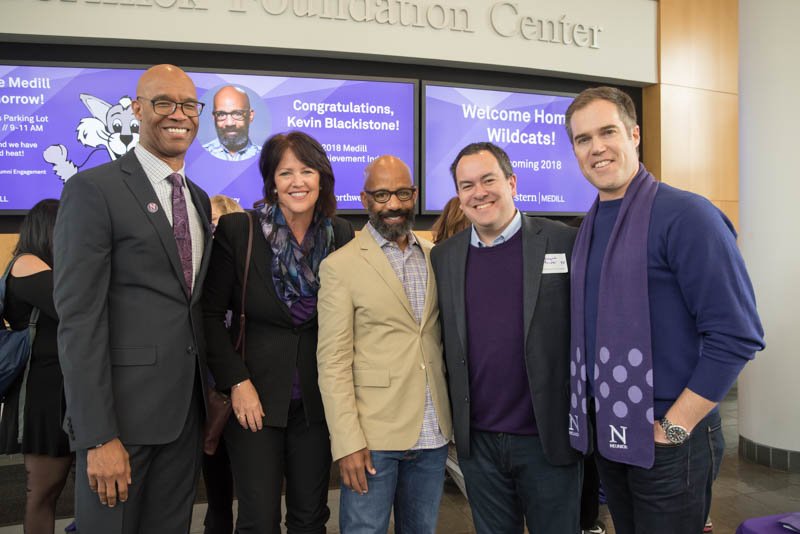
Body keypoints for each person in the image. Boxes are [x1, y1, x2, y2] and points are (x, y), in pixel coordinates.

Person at [564, 86, 765, 534]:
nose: (596, 147)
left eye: (607, 131)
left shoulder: (688, 216)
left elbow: (737, 335)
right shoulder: (588, 228)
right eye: (582, 139)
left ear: (634, 135)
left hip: (671, 439)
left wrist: (674, 429)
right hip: (613, 434)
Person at [53, 64, 213, 533]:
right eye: (164, 102)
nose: (178, 114)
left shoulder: (198, 198)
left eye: (188, 104)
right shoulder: (93, 190)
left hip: (183, 418)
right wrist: (98, 436)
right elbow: (79, 321)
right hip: (119, 425)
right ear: (137, 109)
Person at [203, 131, 354, 534]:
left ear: (322, 178)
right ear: (271, 181)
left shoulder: (339, 235)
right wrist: (236, 381)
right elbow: (209, 316)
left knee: (310, 518)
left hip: (317, 402)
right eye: (285, 172)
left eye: (306, 171)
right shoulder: (241, 230)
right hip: (254, 401)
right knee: (259, 520)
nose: (297, 181)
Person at [430, 142, 582, 534]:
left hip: (547, 438)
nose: (478, 192)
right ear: (459, 197)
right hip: (479, 443)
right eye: (467, 185)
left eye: (488, 180)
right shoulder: (444, 258)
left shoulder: (562, 242)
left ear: (512, 182)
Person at [317, 155, 452, 533]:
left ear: (415, 194)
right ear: (364, 200)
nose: (393, 204)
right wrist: (346, 443)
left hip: (433, 433)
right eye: (381, 195)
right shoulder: (340, 266)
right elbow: (333, 363)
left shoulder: (435, 258)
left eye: (402, 193)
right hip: (371, 439)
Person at [0, 199, 71, 534]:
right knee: (42, 492)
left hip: (60, 390)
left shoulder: (48, 266)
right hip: (42, 396)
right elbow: (72, 306)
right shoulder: (27, 264)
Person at [202, 194, 244, 534]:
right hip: (210, 395)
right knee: (216, 491)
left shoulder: (248, 275)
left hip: (245, 392)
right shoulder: (198, 273)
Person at [203, 85, 260, 161]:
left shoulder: (266, 156)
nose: (229, 123)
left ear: (250, 116)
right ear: (214, 118)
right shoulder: (199, 155)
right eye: (221, 114)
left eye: (237, 114)